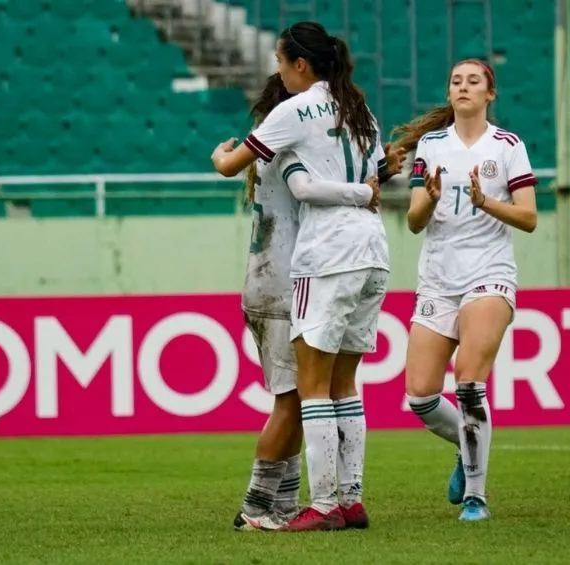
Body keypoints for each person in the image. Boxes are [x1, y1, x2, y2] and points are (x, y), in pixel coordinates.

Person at [212, 22, 402, 531]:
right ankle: (324, 499)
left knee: (302, 394)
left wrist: (219, 156)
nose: (278, 68)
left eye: (280, 59)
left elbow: (236, 166)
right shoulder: (359, 111)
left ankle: (274, 504)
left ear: (299, 65)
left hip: (303, 265)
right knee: (333, 388)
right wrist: (371, 185)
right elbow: (373, 171)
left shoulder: (291, 116)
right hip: (369, 251)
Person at [392, 59, 538, 522]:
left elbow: (530, 218)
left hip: (488, 274)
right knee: (420, 396)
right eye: (456, 81)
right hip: (438, 277)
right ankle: (466, 444)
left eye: (473, 81)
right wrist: (429, 199)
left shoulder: (508, 146)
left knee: (470, 384)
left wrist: (487, 203)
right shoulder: (431, 146)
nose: (463, 87)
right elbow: (414, 223)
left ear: (490, 93)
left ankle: (476, 496)